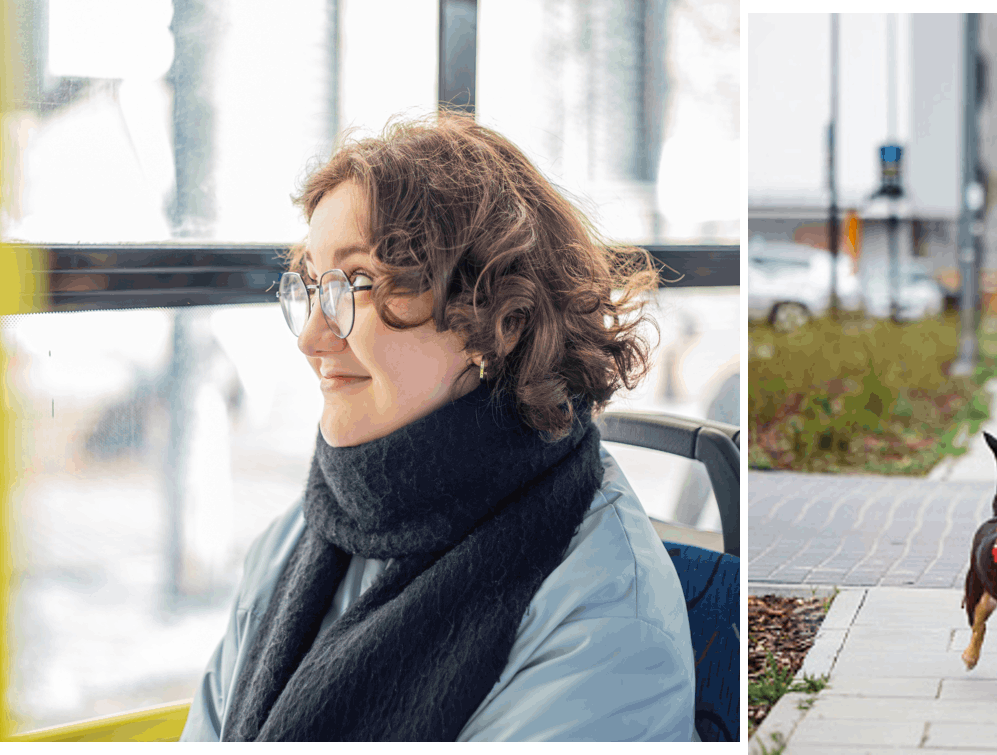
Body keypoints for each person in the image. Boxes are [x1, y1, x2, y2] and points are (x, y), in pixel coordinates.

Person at [180, 112, 695, 741]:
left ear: (496, 318)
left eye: (360, 283)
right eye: (313, 286)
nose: (313, 337)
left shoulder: (606, 621)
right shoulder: (304, 532)